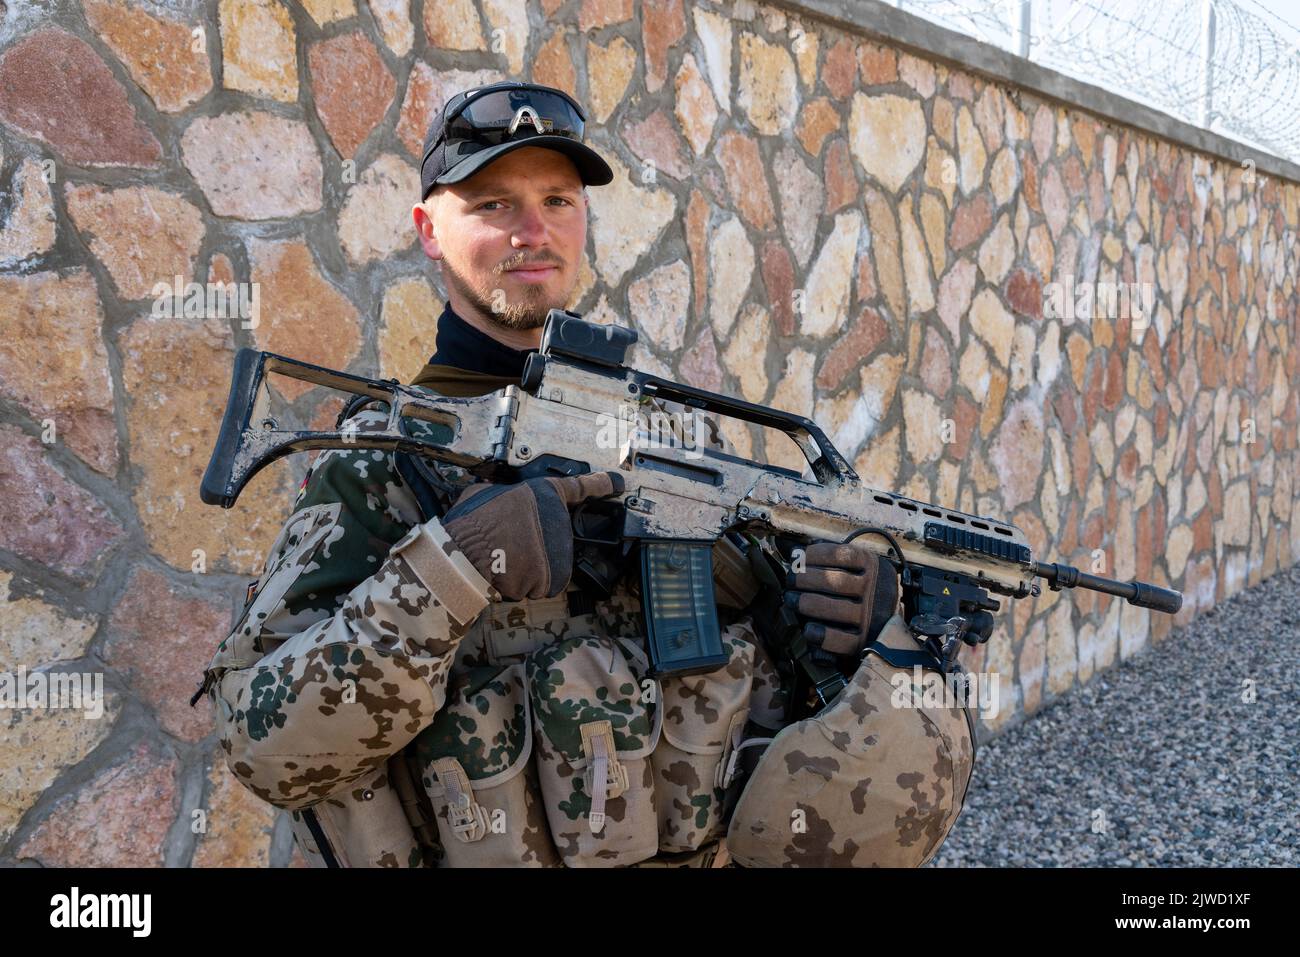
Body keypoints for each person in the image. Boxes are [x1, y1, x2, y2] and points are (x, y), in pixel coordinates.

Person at [197, 81, 973, 868]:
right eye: (495, 204)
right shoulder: (384, 464)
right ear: (429, 231)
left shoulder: (675, 438)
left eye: (558, 201)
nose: (533, 231)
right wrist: (449, 571)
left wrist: (853, 628)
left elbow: (768, 696)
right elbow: (264, 747)